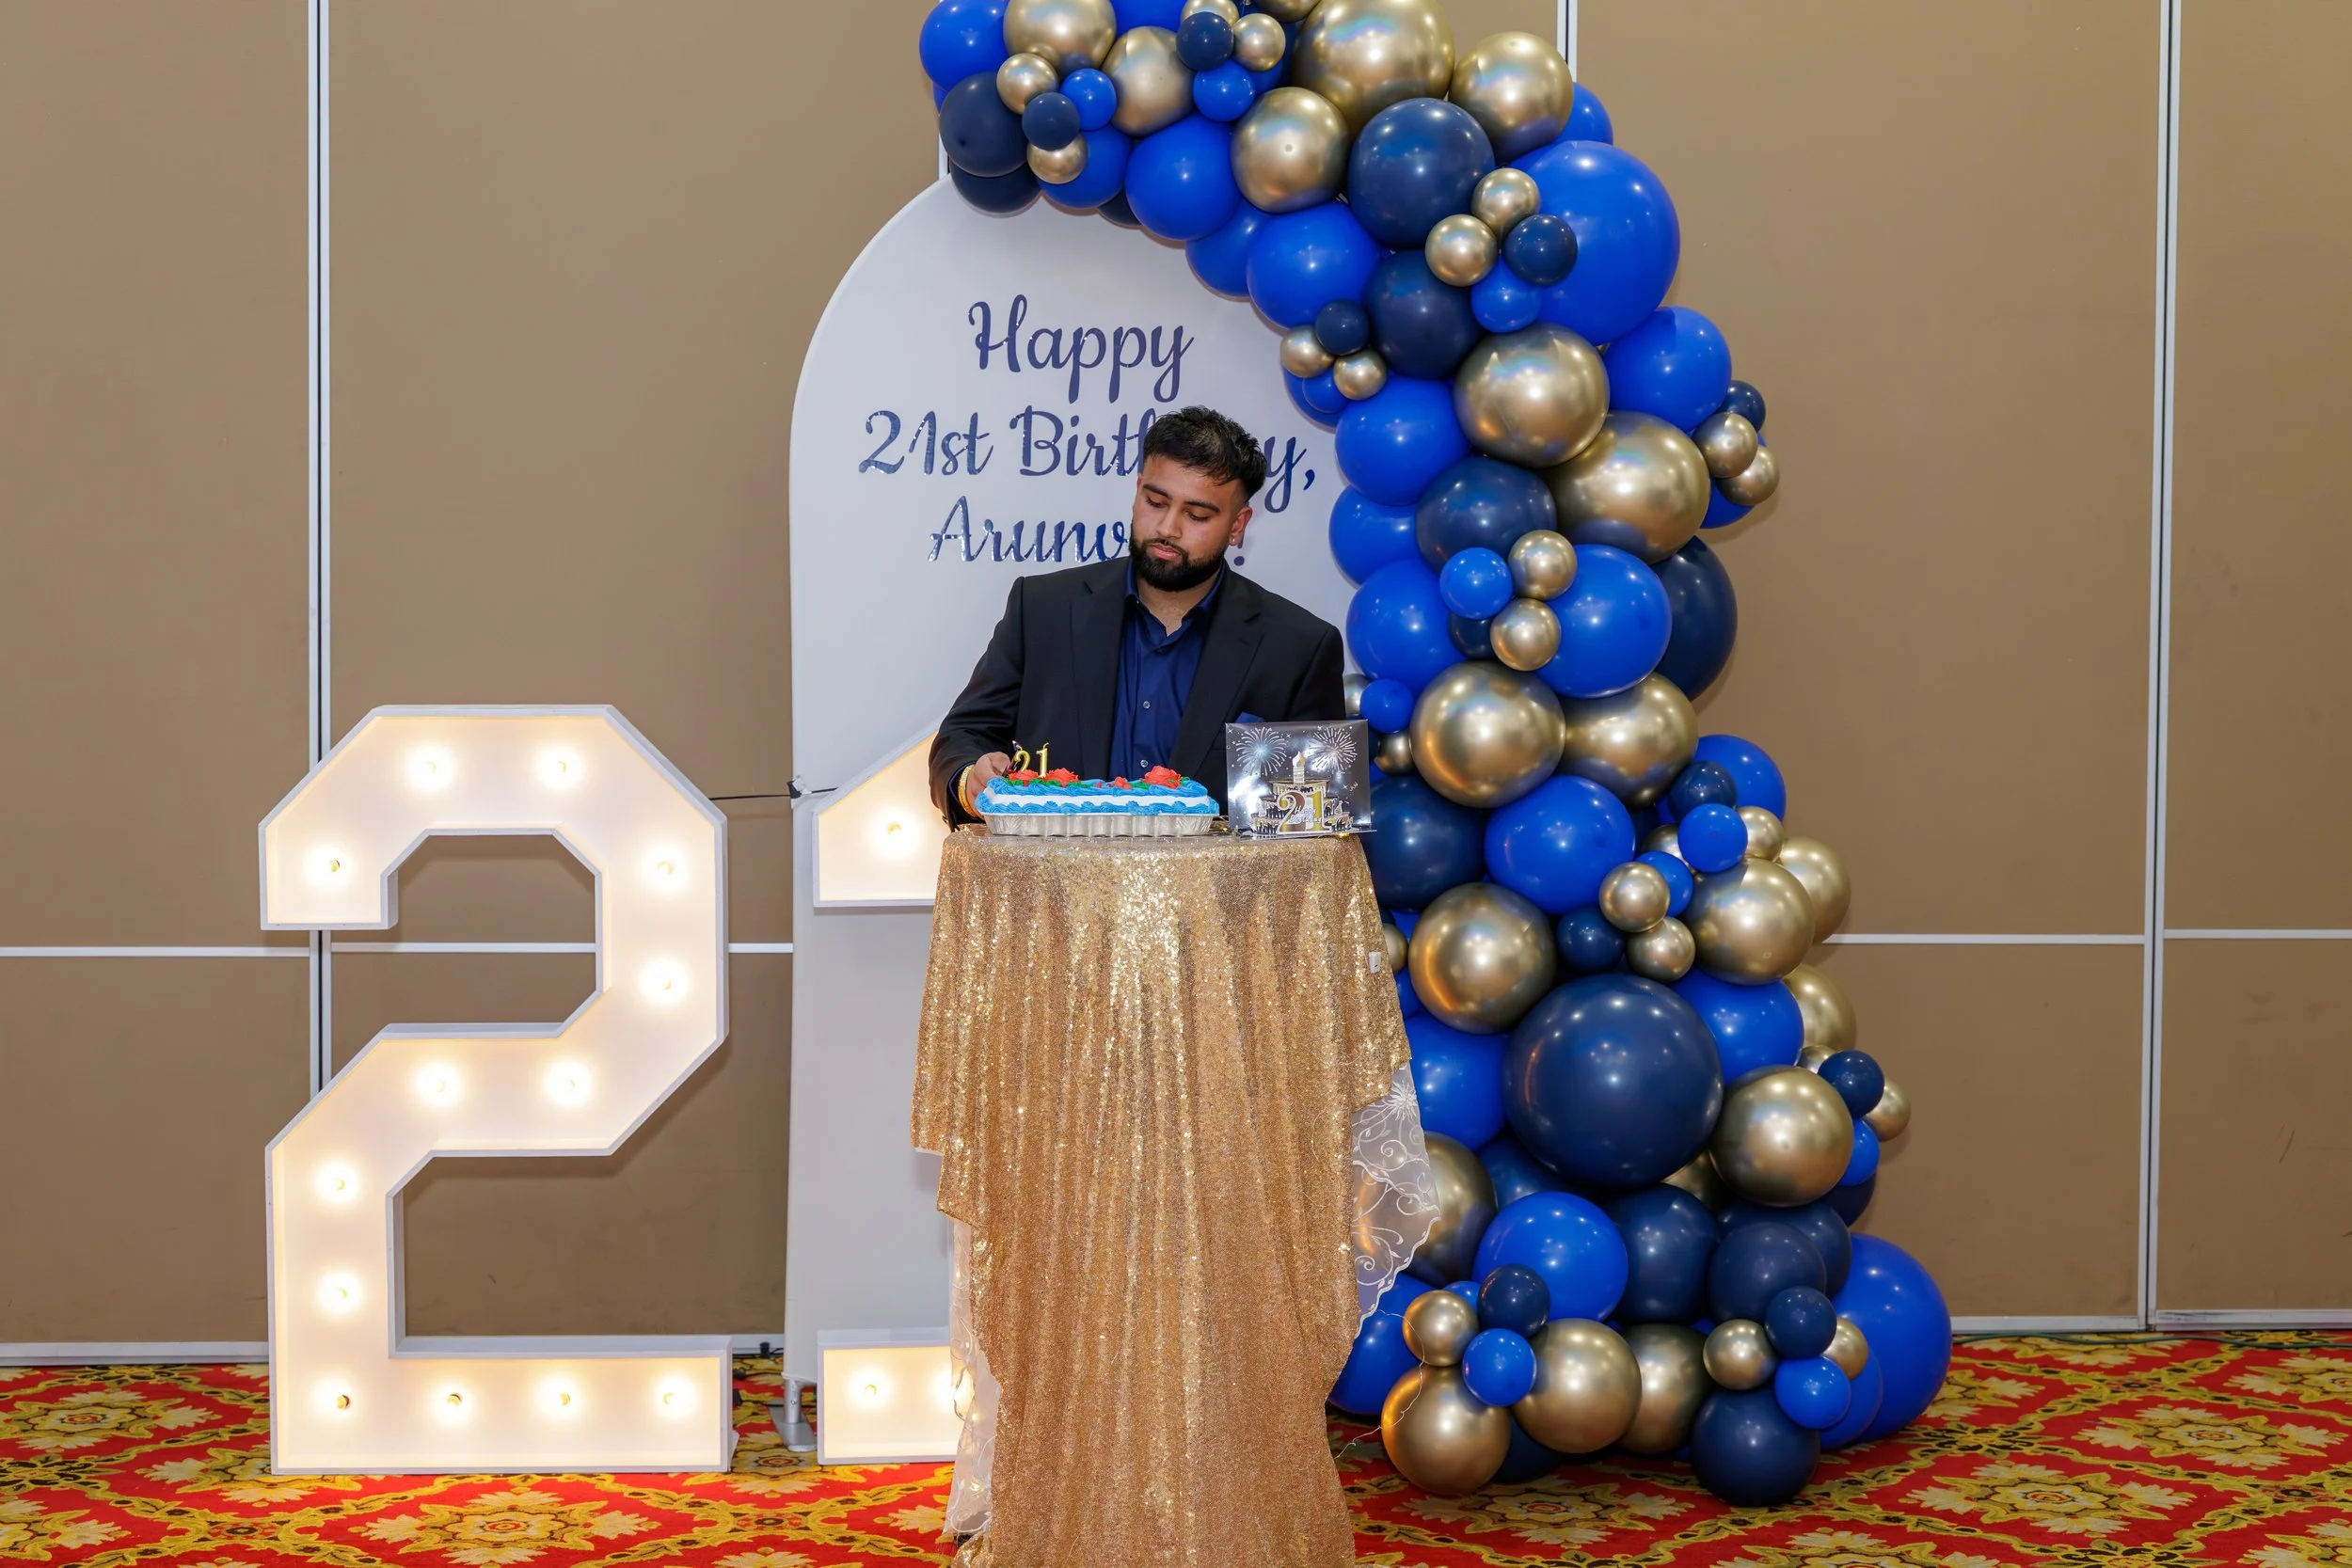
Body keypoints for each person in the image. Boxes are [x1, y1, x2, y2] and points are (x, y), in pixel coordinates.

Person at [928, 405, 1345, 822]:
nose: (1167, 528)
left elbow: (1314, 823)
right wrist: (969, 780)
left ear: (1238, 525)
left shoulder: (1298, 648)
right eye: (1155, 502)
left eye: (1197, 515)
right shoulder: (1042, 607)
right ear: (1138, 489)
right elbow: (964, 735)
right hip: (1055, 865)